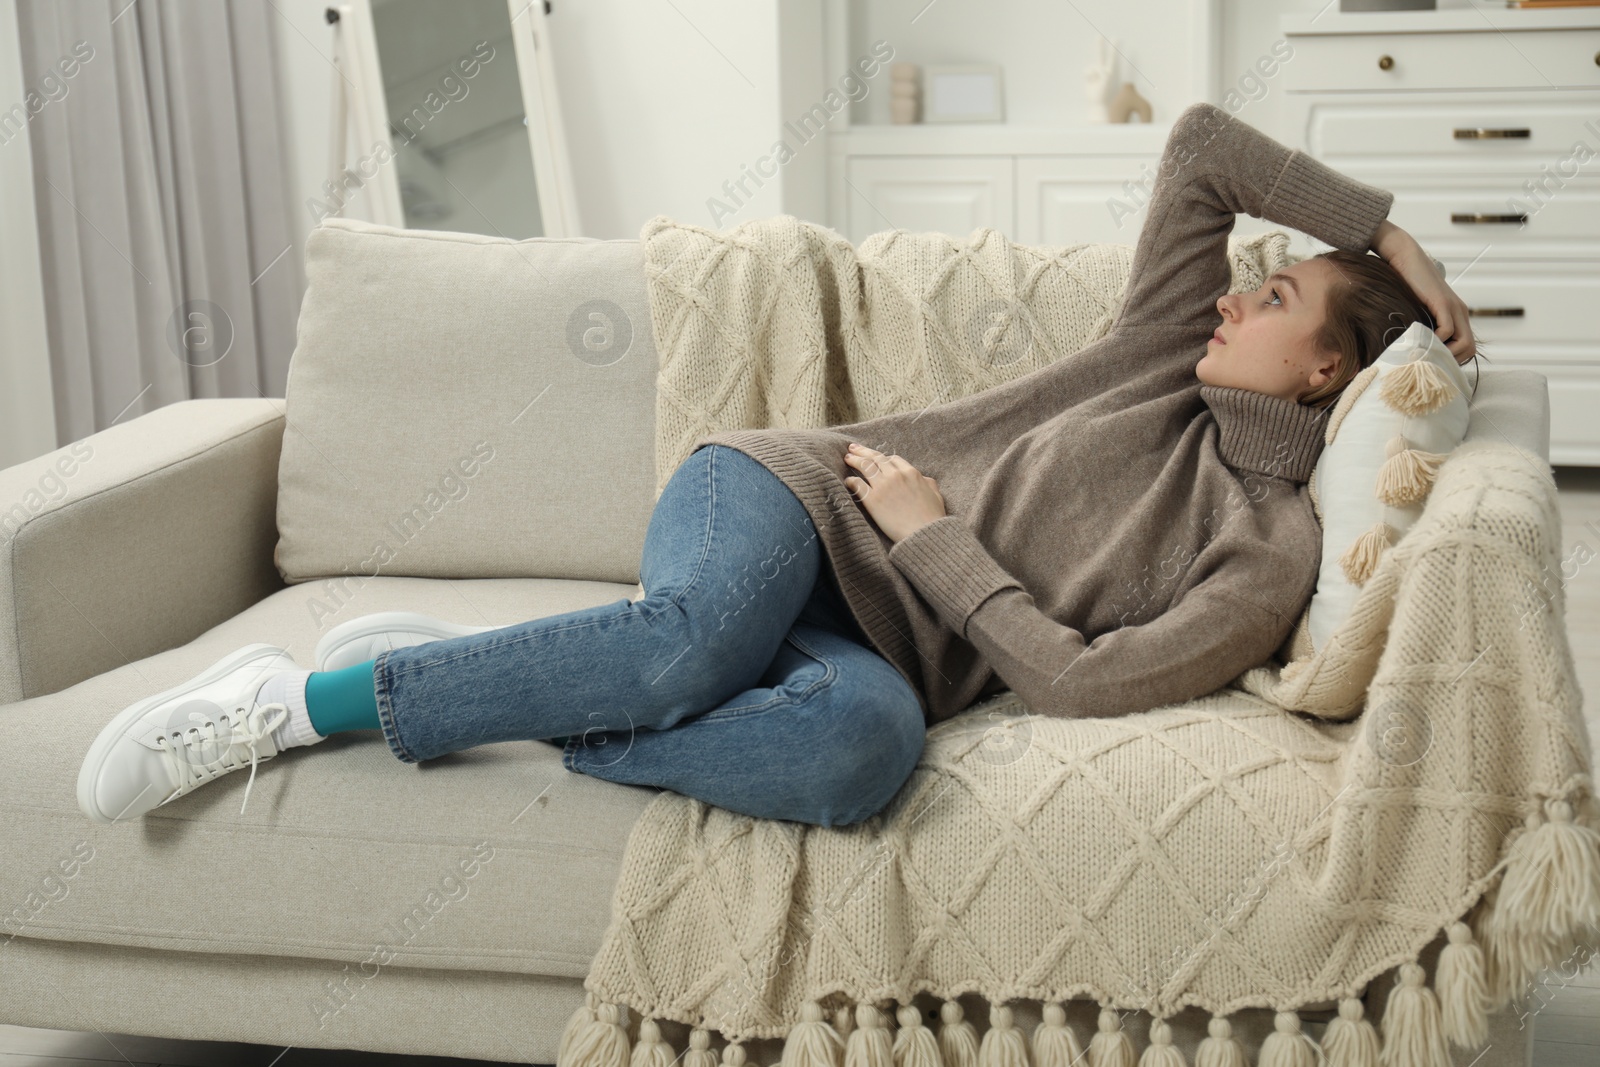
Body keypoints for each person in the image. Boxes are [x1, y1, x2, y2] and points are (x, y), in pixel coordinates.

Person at [76, 102, 1481, 830]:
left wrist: (937, 542)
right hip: (785, 499)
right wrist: (1386, 234)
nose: (1235, 297)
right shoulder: (1160, 340)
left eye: (1279, 300)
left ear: (1327, 378)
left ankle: (492, 690)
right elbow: (1204, 148)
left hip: (872, 634)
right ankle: (302, 703)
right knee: (690, 645)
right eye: (1252, 283)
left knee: (859, 755)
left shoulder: (1269, 544)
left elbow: (1080, 681)